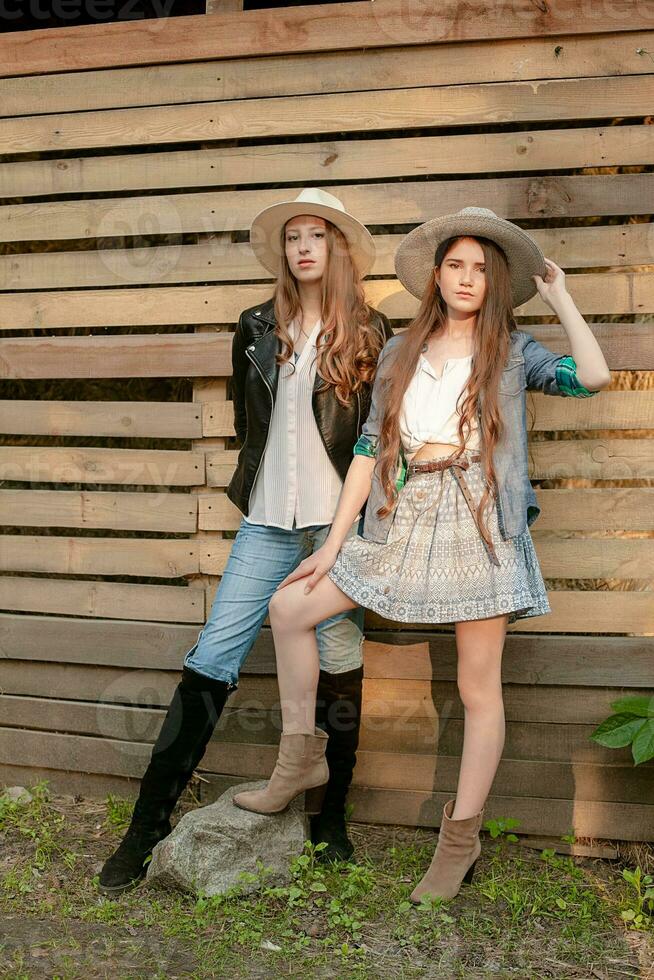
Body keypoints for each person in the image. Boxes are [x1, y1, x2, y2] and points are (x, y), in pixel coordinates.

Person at [231, 206, 611, 902]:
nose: (467, 278)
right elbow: (371, 449)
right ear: (437, 274)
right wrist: (334, 545)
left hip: (479, 522)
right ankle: (298, 762)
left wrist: (560, 294)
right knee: (289, 607)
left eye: (481, 269)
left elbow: (592, 376)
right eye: (456, 265)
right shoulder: (402, 350)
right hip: (402, 517)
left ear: (495, 283)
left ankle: (459, 843)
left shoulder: (513, 351)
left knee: (476, 688)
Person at [98, 187, 392, 894]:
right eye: (293, 236)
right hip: (266, 519)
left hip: (335, 525)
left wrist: (352, 525)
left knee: (338, 654)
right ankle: (145, 827)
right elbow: (249, 425)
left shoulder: (371, 331)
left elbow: (380, 438)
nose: (303, 246)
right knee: (214, 652)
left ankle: (330, 819)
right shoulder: (256, 326)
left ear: (338, 247)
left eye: (316, 234)